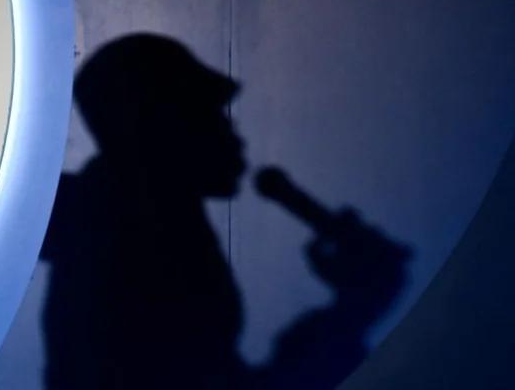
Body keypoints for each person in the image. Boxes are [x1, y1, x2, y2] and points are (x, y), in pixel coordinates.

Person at [41, 34, 409, 389]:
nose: (233, 132)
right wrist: (353, 312)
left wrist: (349, 313)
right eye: (210, 112)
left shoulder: (142, 222)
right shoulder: (133, 238)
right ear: (160, 125)